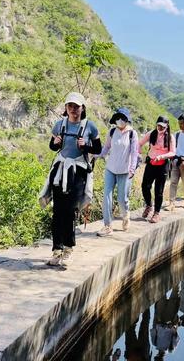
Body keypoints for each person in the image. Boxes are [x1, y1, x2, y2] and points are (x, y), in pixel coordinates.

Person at [44, 92, 101, 267]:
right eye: (70, 106)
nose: (73, 109)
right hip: (60, 170)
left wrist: (86, 146)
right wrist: (57, 142)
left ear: (82, 108)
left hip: (78, 172)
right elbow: (52, 146)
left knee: (69, 211)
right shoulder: (59, 125)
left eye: (76, 106)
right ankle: (56, 250)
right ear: (66, 108)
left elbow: (97, 149)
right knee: (57, 212)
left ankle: (68, 249)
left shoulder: (89, 126)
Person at [97, 107, 139, 237]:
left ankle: (126, 215)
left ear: (127, 120)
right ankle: (107, 225)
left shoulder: (132, 134)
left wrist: (132, 169)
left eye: (122, 118)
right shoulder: (111, 132)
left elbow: (134, 153)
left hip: (125, 171)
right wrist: (97, 155)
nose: (120, 121)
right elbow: (107, 147)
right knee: (107, 197)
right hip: (111, 169)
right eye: (118, 118)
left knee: (122, 199)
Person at [139, 116, 176, 223]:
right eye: (158, 125)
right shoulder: (151, 134)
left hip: (162, 165)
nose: (159, 128)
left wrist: (161, 156)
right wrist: (139, 153)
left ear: (167, 126)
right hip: (151, 163)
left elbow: (173, 152)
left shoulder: (170, 137)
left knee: (158, 191)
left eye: (162, 126)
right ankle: (149, 205)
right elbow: (140, 143)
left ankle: (156, 213)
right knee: (145, 186)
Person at [151, 284, 181, 357]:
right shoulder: (171, 348)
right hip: (169, 319)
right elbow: (176, 337)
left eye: (157, 358)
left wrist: (157, 317)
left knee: (161, 293)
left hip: (160, 318)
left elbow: (153, 329)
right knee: (175, 292)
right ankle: (176, 276)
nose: (159, 356)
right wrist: (172, 326)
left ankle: (162, 277)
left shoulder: (155, 343)